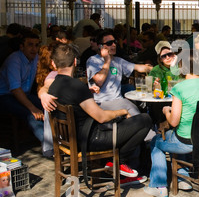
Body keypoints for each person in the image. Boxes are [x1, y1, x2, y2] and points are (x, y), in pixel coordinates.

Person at [48, 43, 151, 181]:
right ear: (75, 62)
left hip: (69, 140)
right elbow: (102, 117)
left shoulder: (52, 87)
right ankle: (120, 162)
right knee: (144, 120)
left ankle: (118, 165)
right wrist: (122, 111)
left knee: (127, 124)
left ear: (54, 64)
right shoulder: (77, 86)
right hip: (92, 140)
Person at [144, 49, 199, 197]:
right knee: (174, 135)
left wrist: (166, 111)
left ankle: (159, 186)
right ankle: (184, 178)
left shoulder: (179, 88)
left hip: (187, 142)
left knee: (156, 141)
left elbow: (173, 121)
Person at [86, 29, 153, 116]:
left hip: (118, 101)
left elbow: (138, 67)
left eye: (115, 42)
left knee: (140, 112)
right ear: (100, 46)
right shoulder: (93, 61)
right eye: (109, 43)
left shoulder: (118, 61)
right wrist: (107, 61)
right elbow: (99, 82)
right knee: (139, 116)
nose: (114, 45)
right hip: (102, 103)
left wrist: (160, 67)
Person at [0, 31, 44, 143]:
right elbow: (15, 89)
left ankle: (60, 140)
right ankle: (51, 148)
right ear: (21, 47)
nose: (34, 49)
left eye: (36, 45)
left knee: (48, 107)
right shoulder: (14, 60)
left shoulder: (35, 58)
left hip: (25, 94)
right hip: (6, 97)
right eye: (30, 45)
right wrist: (33, 108)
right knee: (32, 115)